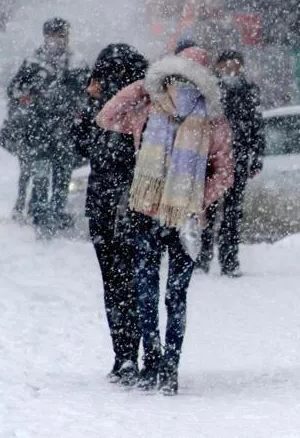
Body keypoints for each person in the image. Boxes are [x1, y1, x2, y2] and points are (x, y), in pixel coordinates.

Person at [96, 46, 234, 395]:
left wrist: (143, 86)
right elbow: (225, 173)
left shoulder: (151, 108)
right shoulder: (210, 118)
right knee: (174, 295)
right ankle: (169, 365)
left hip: (152, 215)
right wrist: (195, 199)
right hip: (181, 219)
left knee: (149, 292)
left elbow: (107, 116)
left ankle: (156, 360)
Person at [73, 44, 148, 385]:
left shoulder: (107, 111)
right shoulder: (146, 107)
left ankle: (124, 353)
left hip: (109, 204)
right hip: (135, 205)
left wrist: (86, 105)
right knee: (134, 281)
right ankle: (138, 352)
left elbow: (78, 147)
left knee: (116, 283)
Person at [6, 17, 89, 236]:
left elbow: (86, 95)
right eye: (53, 36)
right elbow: (14, 90)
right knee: (41, 176)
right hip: (38, 129)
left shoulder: (77, 63)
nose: (56, 41)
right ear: (46, 37)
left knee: (62, 178)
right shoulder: (33, 62)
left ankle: (56, 214)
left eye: (60, 36)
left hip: (65, 131)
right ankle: (41, 216)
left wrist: (74, 108)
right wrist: (27, 95)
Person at [196, 50, 264, 277]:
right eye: (229, 65)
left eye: (237, 65)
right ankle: (204, 256)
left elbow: (257, 125)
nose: (233, 70)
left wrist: (256, 156)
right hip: (213, 159)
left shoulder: (248, 91)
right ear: (219, 66)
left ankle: (229, 259)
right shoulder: (210, 90)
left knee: (233, 213)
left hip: (237, 158)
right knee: (209, 209)